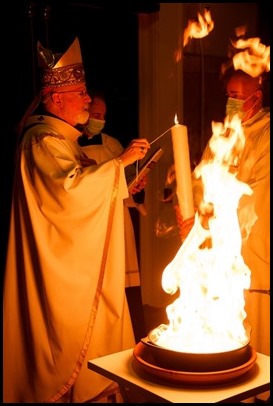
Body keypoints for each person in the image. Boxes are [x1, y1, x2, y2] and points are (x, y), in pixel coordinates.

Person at [3, 37, 150, 403]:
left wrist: (125, 181)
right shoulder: (41, 141)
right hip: (57, 279)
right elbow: (66, 194)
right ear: (56, 99)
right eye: (80, 92)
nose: (88, 100)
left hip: (71, 270)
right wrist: (117, 167)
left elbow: (85, 186)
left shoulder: (63, 140)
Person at [177, 68, 270, 400]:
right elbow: (203, 177)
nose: (230, 103)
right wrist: (191, 207)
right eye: (228, 94)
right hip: (216, 246)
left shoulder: (267, 135)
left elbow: (257, 194)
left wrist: (212, 217)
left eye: (236, 96)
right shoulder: (224, 136)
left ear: (256, 98)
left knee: (256, 337)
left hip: (253, 250)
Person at [77, 91, 147, 342]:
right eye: (95, 114)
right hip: (90, 227)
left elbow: (121, 188)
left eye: (103, 116)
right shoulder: (70, 145)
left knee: (121, 288)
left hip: (118, 222)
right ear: (84, 112)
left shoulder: (112, 144)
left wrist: (134, 186)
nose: (99, 120)